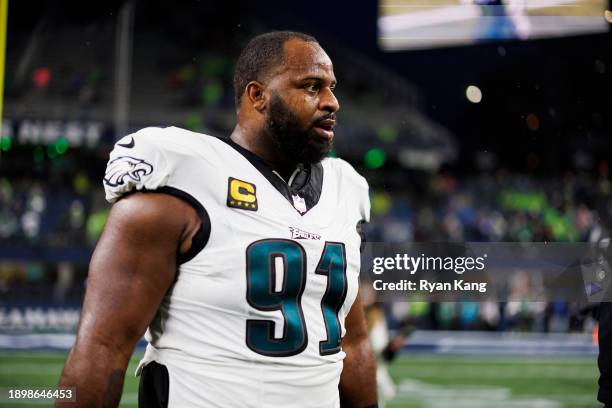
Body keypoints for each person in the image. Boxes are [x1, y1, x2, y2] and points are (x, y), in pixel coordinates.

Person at [57, 31, 377, 408]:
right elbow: (103, 349)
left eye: (331, 88)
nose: (331, 102)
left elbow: (352, 343)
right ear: (257, 95)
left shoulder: (345, 190)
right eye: (311, 86)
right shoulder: (180, 185)